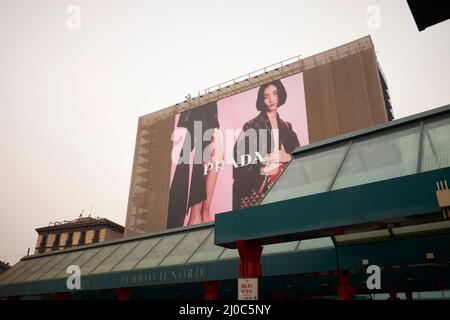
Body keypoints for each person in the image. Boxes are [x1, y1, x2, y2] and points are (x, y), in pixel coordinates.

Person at [233, 79, 300, 210]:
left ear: (280, 95)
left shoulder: (287, 127)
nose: (271, 99)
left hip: (283, 184)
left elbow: (302, 156)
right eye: (266, 96)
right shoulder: (251, 126)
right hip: (258, 187)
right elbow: (237, 158)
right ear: (261, 100)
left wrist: (288, 156)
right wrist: (260, 161)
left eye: (275, 94)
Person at [166, 102, 222, 229]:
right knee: (198, 156)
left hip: (208, 115)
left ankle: (204, 212)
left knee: (215, 156)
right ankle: (195, 215)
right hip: (196, 116)